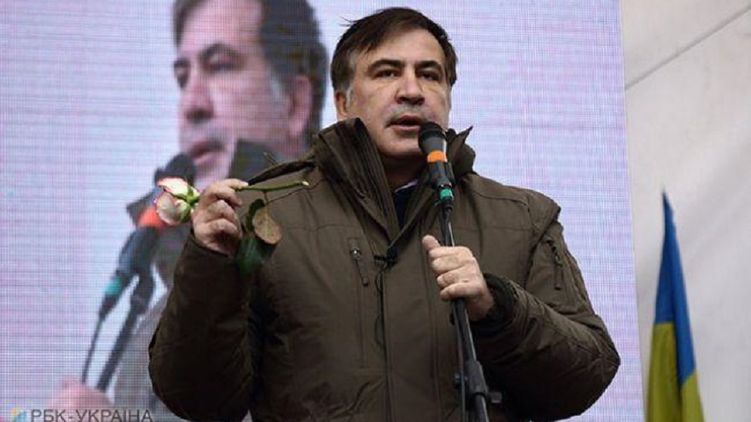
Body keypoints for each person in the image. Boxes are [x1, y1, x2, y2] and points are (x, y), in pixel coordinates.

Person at [149, 7, 620, 422]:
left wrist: (497, 310)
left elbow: (584, 378)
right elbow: (200, 399)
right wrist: (210, 267)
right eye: (386, 72)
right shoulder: (262, 216)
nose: (412, 90)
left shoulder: (523, 218)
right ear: (342, 102)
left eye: (430, 75)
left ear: (448, 95)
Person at [49, 0, 326, 420]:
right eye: (183, 78)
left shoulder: (334, 266)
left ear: (293, 103)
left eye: (220, 66)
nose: (191, 104)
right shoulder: (158, 315)